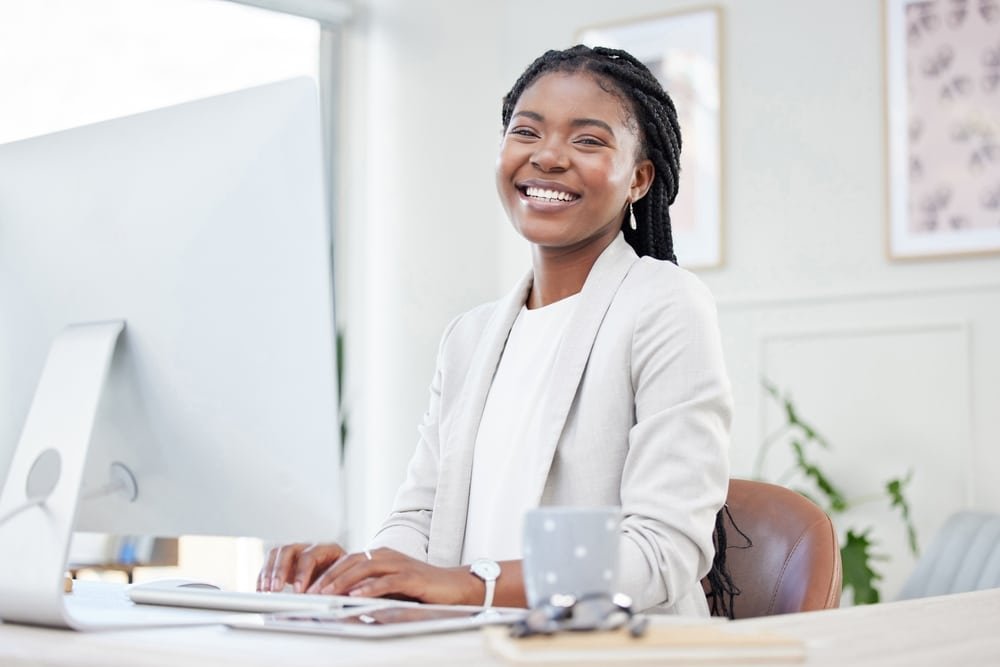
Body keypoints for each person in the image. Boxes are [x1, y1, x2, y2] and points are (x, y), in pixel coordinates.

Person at [259, 44, 732, 616]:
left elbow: (660, 550)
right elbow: (422, 518)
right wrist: (358, 575)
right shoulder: (470, 336)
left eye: (588, 140)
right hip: (472, 644)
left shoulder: (664, 305)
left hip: (608, 650)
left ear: (638, 179)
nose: (548, 157)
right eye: (526, 132)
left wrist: (470, 584)